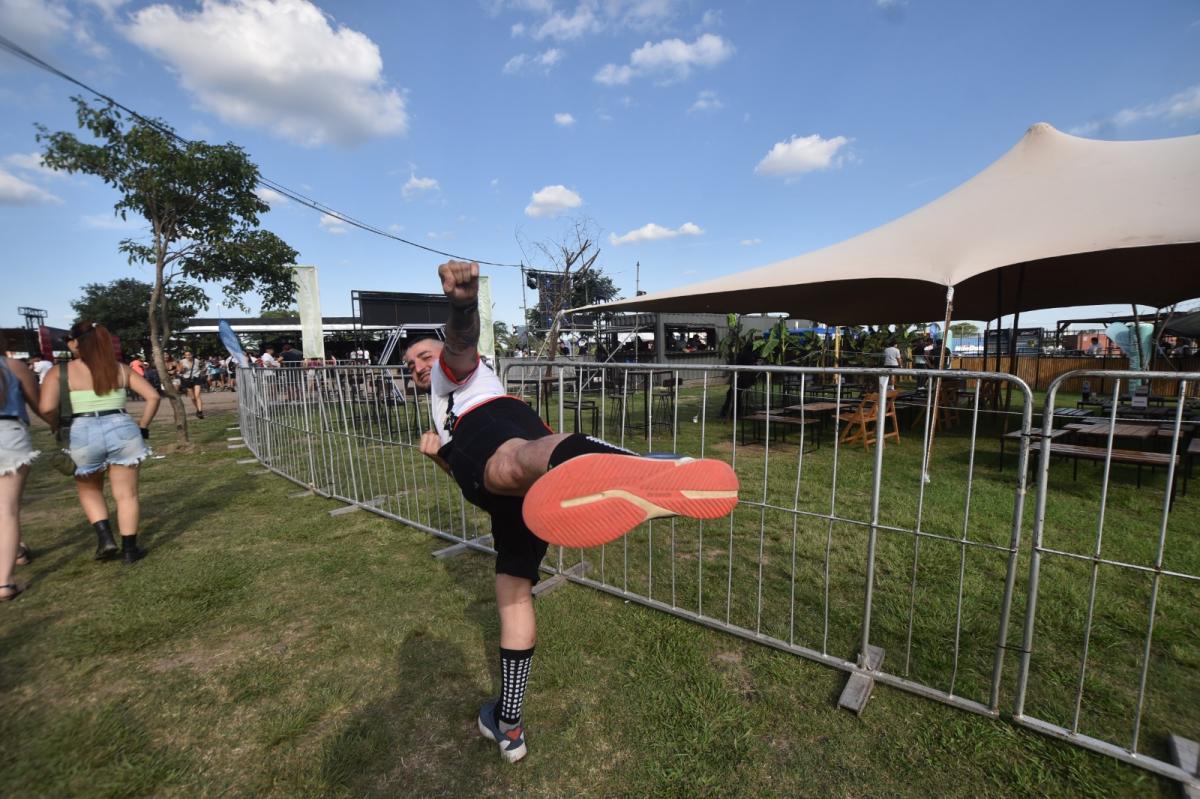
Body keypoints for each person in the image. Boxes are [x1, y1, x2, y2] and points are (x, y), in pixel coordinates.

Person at [406, 261, 739, 764]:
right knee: (513, 594)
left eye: (423, 355)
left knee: (511, 459)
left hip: (494, 430)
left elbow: (460, 345)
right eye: (410, 365)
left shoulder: (456, 379)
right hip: (518, 488)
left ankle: (633, 469)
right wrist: (442, 459)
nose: (419, 366)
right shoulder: (444, 406)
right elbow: (473, 474)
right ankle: (509, 724)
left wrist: (462, 306)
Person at [40, 322, 161, 565]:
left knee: (90, 489)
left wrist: (56, 424)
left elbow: (46, 407)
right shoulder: (120, 369)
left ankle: (105, 538)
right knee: (126, 495)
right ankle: (130, 549)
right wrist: (143, 426)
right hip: (123, 427)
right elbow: (153, 396)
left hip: (82, 431)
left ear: (76, 343)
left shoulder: (60, 373)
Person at [1, 348, 44, 600]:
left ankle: (16, 550)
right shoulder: (12, 366)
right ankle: (4, 582)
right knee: (7, 509)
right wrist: (55, 422)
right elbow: (39, 404)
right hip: (7, 432)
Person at [177, 350, 206, 419]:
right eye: (186, 355)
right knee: (193, 397)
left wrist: (202, 372)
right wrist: (183, 369)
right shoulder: (182, 361)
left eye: (189, 354)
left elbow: (202, 367)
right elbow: (180, 371)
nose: (188, 356)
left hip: (196, 378)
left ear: (192, 354)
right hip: (187, 380)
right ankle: (197, 409)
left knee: (197, 395)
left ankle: (200, 412)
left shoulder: (197, 361)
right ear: (184, 356)